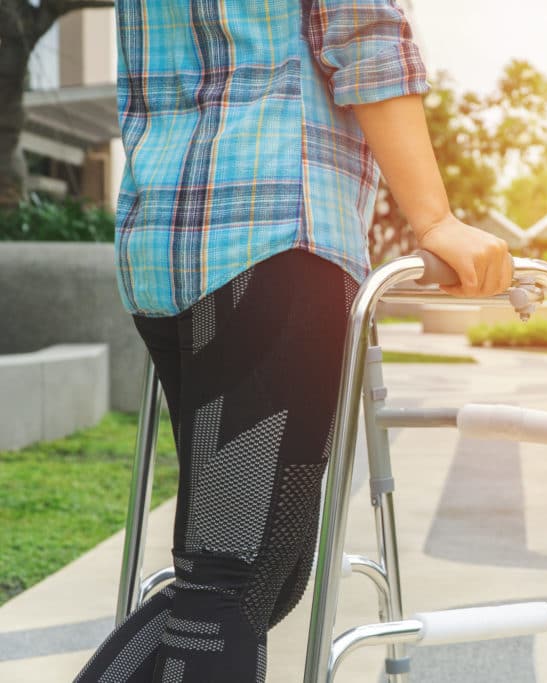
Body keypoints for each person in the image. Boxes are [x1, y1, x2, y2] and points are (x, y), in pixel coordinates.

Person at [74, 1, 511, 681]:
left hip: (164, 240)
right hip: (277, 228)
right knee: (233, 582)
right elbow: (363, 30)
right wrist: (435, 218)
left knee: (252, 574)